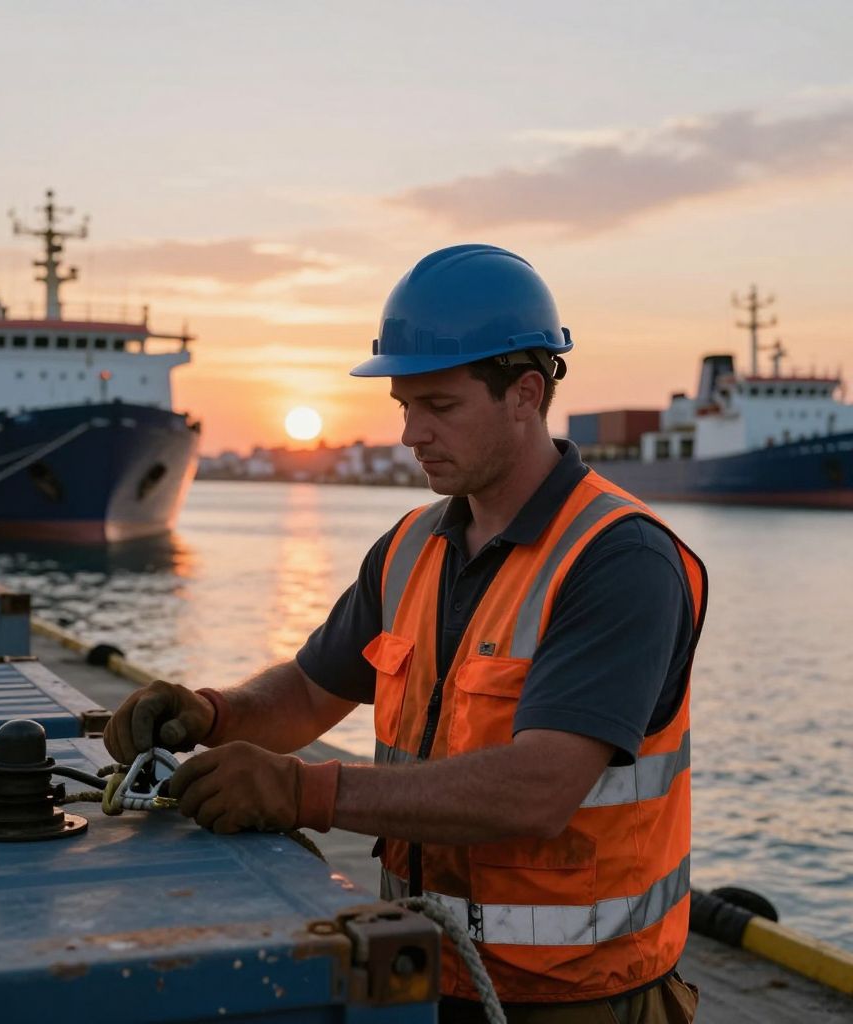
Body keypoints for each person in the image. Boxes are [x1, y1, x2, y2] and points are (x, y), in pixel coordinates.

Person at [104, 244, 707, 1023]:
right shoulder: (410, 548)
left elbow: (540, 790)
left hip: (579, 999)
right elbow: (308, 691)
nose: (411, 434)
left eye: (441, 407)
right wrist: (211, 712)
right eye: (403, 406)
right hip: (423, 971)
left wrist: (303, 791)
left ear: (526, 393)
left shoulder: (618, 558)